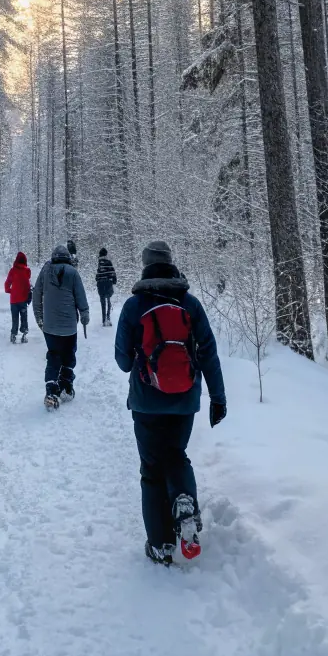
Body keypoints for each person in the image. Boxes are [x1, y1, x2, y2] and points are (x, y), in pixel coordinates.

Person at [114, 240, 226, 567]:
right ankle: (184, 502)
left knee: (151, 469)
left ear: (145, 265)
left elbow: (122, 361)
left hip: (146, 402)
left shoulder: (134, 307)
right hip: (184, 399)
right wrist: (217, 398)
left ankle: (160, 545)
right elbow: (208, 353)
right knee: (175, 454)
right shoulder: (190, 304)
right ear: (171, 263)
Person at [32, 243, 90, 409]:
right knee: (69, 355)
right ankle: (66, 386)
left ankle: (51, 391)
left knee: (53, 355)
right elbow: (80, 296)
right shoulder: (73, 272)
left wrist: (39, 318)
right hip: (69, 326)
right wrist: (85, 314)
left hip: (49, 327)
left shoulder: (45, 271)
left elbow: (37, 295)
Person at [4, 252, 32, 343]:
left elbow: (7, 283)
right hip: (23, 300)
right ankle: (24, 335)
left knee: (14, 318)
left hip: (14, 300)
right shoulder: (27, 271)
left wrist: (10, 291)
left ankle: (13, 335)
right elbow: (27, 285)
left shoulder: (13, 270)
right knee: (24, 318)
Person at [95, 247, 117, 326]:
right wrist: (114, 281)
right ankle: (108, 318)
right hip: (108, 284)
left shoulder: (99, 263)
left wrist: (97, 279)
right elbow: (112, 272)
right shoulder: (109, 262)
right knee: (108, 300)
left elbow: (97, 275)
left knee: (102, 302)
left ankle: (104, 320)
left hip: (100, 285)